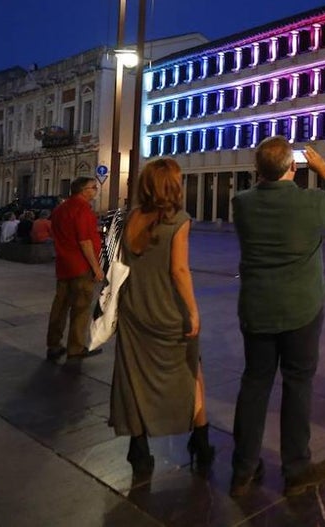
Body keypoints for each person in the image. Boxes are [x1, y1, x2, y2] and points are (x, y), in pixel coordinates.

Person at [230, 137, 325, 498]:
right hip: (302, 309)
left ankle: (243, 468)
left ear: (258, 171)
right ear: (293, 167)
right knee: (298, 385)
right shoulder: (310, 203)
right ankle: (296, 467)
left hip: (257, 310)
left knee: (254, 384)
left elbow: (259, 191)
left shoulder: (242, 205)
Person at [109, 158, 213, 478]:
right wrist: (193, 311)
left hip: (134, 310)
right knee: (191, 371)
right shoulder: (179, 220)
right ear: (172, 185)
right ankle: (201, 441)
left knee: (133, 378)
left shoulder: (131, 218)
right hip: (166, 311)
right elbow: (179, 270)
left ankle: (138, 450)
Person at [45, 177, 105, 360]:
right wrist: (96, 268)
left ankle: (53, 345)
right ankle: (76, 348)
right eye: (93, 188)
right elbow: (85, 241)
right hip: (80, 266)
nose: (96, 190)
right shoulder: (83, 209)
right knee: (81, 307)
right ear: (83, 191)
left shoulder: (59, 209)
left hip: (63, 265)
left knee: (60, 306)